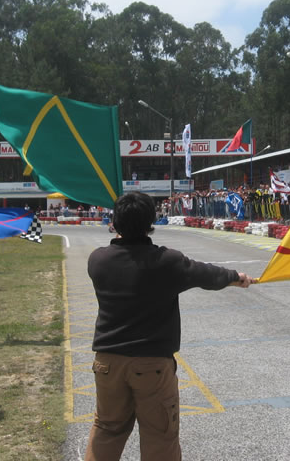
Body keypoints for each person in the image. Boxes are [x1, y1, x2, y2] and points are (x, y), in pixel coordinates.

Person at [85, 192, 256, 461]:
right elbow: (206, 274)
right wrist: (236, 277)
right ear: (151, 223)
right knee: (159, 436)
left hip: (107, 362)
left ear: (114, 222)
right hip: (150, 364)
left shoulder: (98, 260)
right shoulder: (166, 262)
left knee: (108, 429)